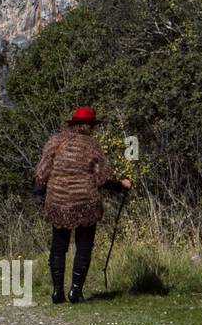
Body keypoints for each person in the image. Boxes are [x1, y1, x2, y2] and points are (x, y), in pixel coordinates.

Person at [34, 107, 132, 303]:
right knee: (84, 246)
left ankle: (57, 292)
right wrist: (121, 184)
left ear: (73, 124)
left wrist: (43, 191)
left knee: (58, 246)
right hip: (85, 202)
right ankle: (75, 292)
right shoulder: (91, 146)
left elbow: (41, 173)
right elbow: (103, 177)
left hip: (58, 201)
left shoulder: (54, 142)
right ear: (90, 126)